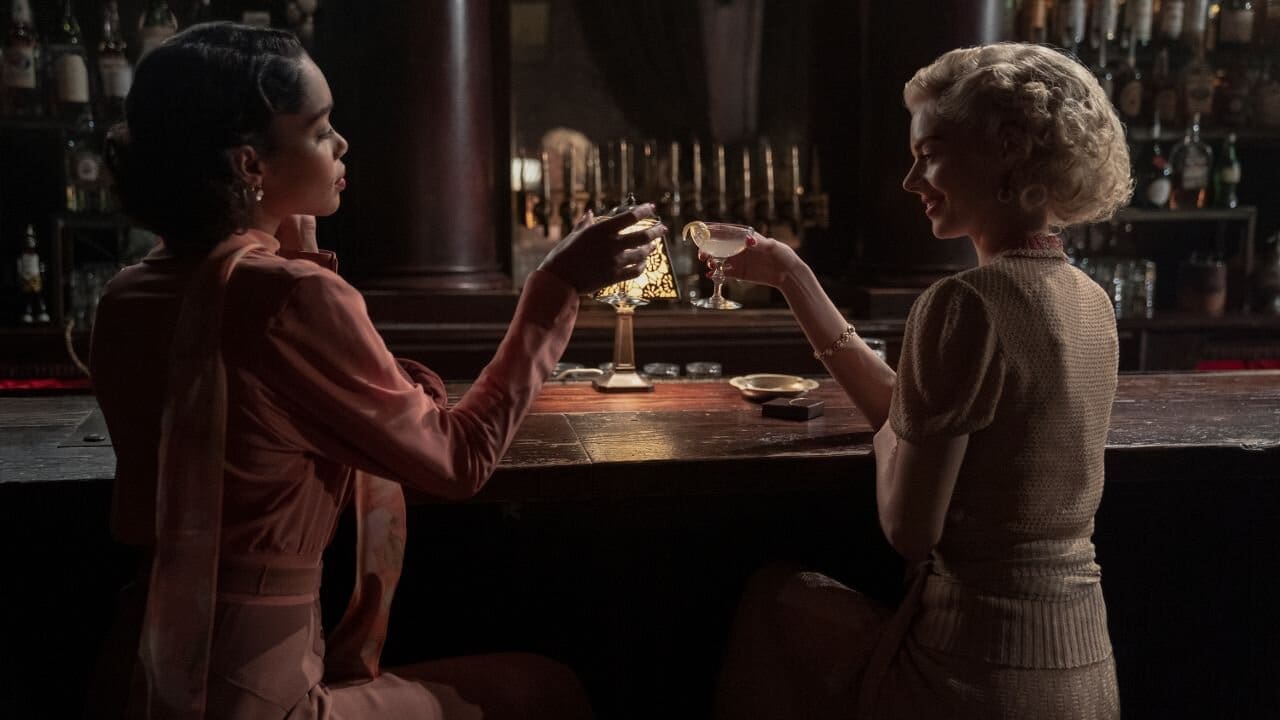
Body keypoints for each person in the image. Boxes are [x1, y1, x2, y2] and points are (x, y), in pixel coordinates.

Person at [86, 22, 664, 720]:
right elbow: (458, 460)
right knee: (547, 689)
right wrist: (554, 288)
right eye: (321, 127)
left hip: (139, 671)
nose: (342, 143)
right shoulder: (290, 298)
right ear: (249, 165)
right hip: (249, 693)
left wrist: (292, 250)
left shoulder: (126, 293)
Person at [712, 43, 1131, 719]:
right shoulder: (1092, 300)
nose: (911, 179)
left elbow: (910, 530)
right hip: (1085, 675)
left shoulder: (965, 302)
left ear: (1009, 151)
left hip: (972, 675)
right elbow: (915, 414)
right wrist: (792, 276)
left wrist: (889, 438)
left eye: (929, 152)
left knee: (773, 598)